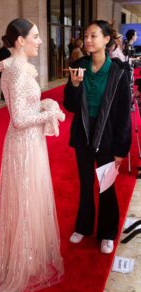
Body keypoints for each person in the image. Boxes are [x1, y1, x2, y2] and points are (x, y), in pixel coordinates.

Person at [0, 18, 64, 292]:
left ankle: (28, 250)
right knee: (25, 197)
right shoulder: (18, 72)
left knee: (28, 196)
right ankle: (21, 257)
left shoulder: (16, 67)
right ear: (20, 40)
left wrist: (44, 104)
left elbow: (25, 107)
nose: (40, 41)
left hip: (28, 142)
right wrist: (50, 112)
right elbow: (20, 119)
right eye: (36, 36)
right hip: (23, 144)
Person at [63, 20, 132, 254]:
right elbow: (70, 106)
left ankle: (107, 232)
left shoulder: (119, 72)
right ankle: (83, 227)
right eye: (86, 36)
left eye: (94, 36)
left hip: (109, 135)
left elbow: (124, 113)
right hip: (83, 132)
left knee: (107, 185)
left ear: (106, 40)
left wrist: (121, 149)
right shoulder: (78, 65)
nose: (88, 40)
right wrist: (73, 85)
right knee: (85, 184)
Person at [0, 35, 11, 100]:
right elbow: (3, 60)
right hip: (4, 69)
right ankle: (4, 97)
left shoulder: (8, 50)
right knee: (4, 84)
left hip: (8, 68)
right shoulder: (1, 50)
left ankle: (7, 96)